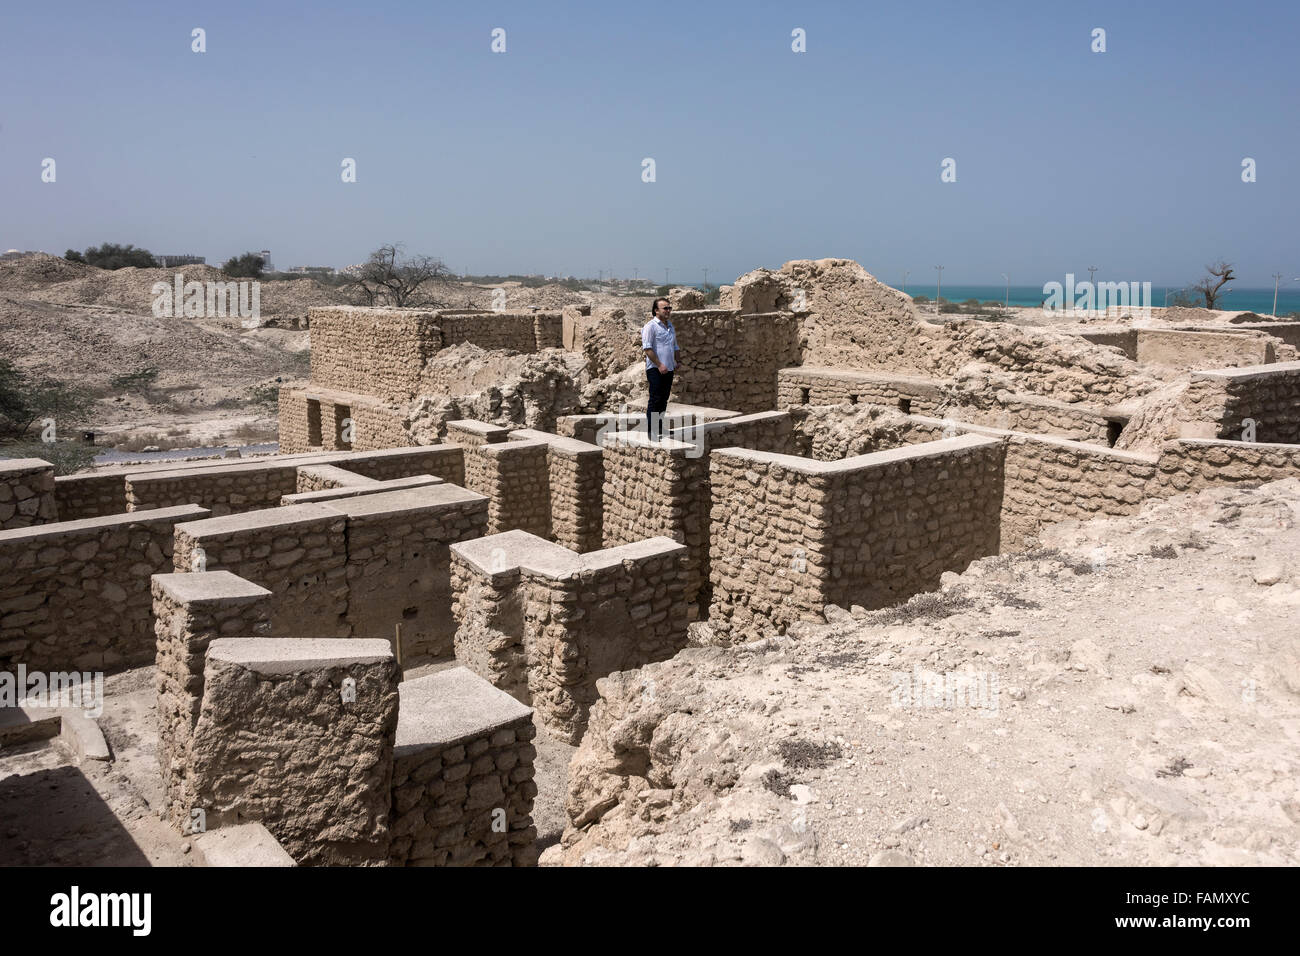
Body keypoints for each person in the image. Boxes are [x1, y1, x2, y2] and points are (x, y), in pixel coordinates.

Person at [641, 297, 681, 440]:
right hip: (655, 369)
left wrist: (678, 360)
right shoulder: (650, 326)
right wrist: (659, 364)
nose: (668, 311)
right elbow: (647, 348)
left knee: (664, 399)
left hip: (669, 369)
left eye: (669, 308)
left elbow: (674, 346)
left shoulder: (670, 326)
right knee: (655, 399)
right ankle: (651, 431)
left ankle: (659, 428)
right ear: (656, 310)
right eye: (665, 308)